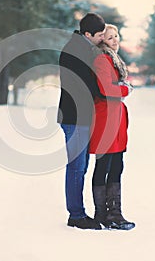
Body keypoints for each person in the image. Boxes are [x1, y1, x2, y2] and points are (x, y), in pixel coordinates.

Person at [57, 13, 105, 230]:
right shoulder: (77, 50)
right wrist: (106, 91)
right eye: (100, 34)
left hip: (79, 116)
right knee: (76, 167)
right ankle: (76, 214)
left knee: (80, 166)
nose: (103, 38)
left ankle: (77, 212)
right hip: (75, 116)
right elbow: (87, 83)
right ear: (88, 34)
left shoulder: (81, 47)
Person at [89, 24, 135, 230]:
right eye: (110, 37)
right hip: (105, 121)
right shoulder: (102, 59)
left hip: (116, 122)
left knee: (117, 166)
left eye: (116, 36)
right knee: (104, 166)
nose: (115, 40)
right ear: (102, 41)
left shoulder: (114, 60)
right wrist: (125, 88)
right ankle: (101, 214)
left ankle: (115, 214)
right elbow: (105, 89)